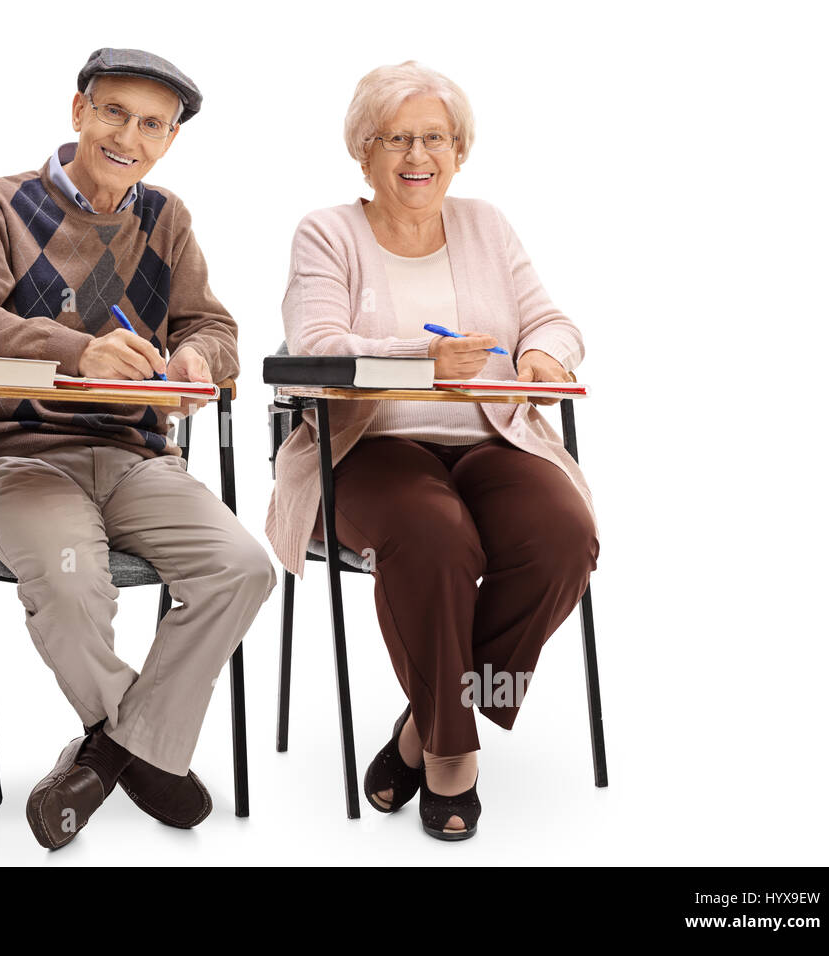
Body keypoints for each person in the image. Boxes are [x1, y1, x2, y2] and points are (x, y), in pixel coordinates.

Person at [0, 47, 277, 850]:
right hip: (20, 454)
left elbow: (212, 326)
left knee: (242, 567)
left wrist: (200, 361)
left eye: (153, 124)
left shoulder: (167, 217)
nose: (130, 135)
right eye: (115, 112)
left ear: (168, 141)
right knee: (71, 579)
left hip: (136, 459)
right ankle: (147, 754)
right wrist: (75, 352)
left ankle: (108, 756)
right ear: (79, 111)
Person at [264, 61, 599, 841]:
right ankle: (450, 751)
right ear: (364, 151)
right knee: (433, 533)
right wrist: (419, 358)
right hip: (371, 441)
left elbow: (553, 320)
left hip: (490, 433)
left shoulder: (486, 224)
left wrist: (549, 356)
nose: (419, 155)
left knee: (562, 537)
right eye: (398, 138)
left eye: (436, 139)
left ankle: (421, 721)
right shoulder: (328, 232)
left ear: (459, 150)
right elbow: (316, 346)